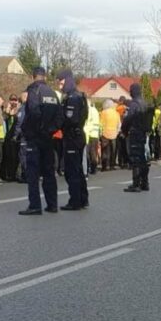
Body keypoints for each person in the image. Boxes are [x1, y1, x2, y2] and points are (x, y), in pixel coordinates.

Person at [19, 67, 62, 216]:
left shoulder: (34, 91)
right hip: (48, 138)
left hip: (35, 137)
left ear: (32, 77)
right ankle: (52, 204)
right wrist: (50, 130)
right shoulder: (52, 93)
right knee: (49, 172)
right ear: (45, 77)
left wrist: (29, 129)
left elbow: (33, 112)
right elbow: (59, 117)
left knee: (33, 173)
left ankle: (35, 205)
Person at [56, 70, 89, 208]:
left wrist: (58, 123)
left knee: (72, 171)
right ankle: (82, 199)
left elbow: (71, 119)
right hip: (77, 136)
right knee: (78, 169)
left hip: (72, 137)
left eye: (61, 82)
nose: (59, 86)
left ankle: (75, 201)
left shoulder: (73, 98)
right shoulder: (79, 96)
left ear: (67, 81)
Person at [122, 83, 151, 192]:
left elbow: (128, 119)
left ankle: (136, 184)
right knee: (142, 158)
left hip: (135, 133)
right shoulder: (144, 103)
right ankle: (145, 183)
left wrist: (124, 130)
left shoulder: (134, 104)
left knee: (135, 159)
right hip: (142, 133)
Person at [99, 99, 120, 171]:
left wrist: (100, 133)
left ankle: (105, 166)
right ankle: (112, 165)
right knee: (113, 150)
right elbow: (119, 124)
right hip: (114, 134)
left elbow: (100, 124)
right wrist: (117, 132)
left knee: (105, 150)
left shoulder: (103, 113)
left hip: (105, 133)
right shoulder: (116, 113)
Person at [84, 99, 101, 175]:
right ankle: (94, 168)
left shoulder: (89, 110)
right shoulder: (95, 110)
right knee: (93, 152)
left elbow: (87, 122)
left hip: (89, 134)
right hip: (95, 134)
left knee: (87, 153)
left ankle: (87, 168)